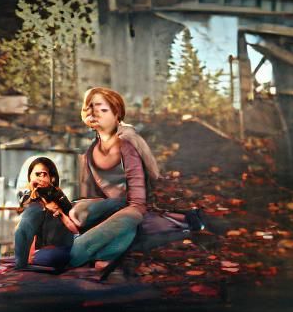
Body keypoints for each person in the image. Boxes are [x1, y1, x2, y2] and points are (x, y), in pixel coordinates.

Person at [67, 87, 204, 270]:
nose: (95, 113)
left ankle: (90, 253)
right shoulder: (91, 150)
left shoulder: (127, 144)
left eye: (103, 109)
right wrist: (81, 210)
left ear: (117, 114)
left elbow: (137, 203)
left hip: (134, 211)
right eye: (90, 108)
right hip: (111, 209)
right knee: (79, 212)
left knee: (121, 227)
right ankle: (98, 251)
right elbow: (89, 196)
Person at [14, 157, 77, 270]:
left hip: (60, 250)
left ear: (51, 178)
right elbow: (24, 226)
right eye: (37, 174)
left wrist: (58, 212)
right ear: (30, 177)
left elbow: (75, 228)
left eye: (44, 174)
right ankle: (23, 262)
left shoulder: (58, 196)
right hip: (40, 252)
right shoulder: (29, 198)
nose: (41, 178)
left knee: (50, 257)